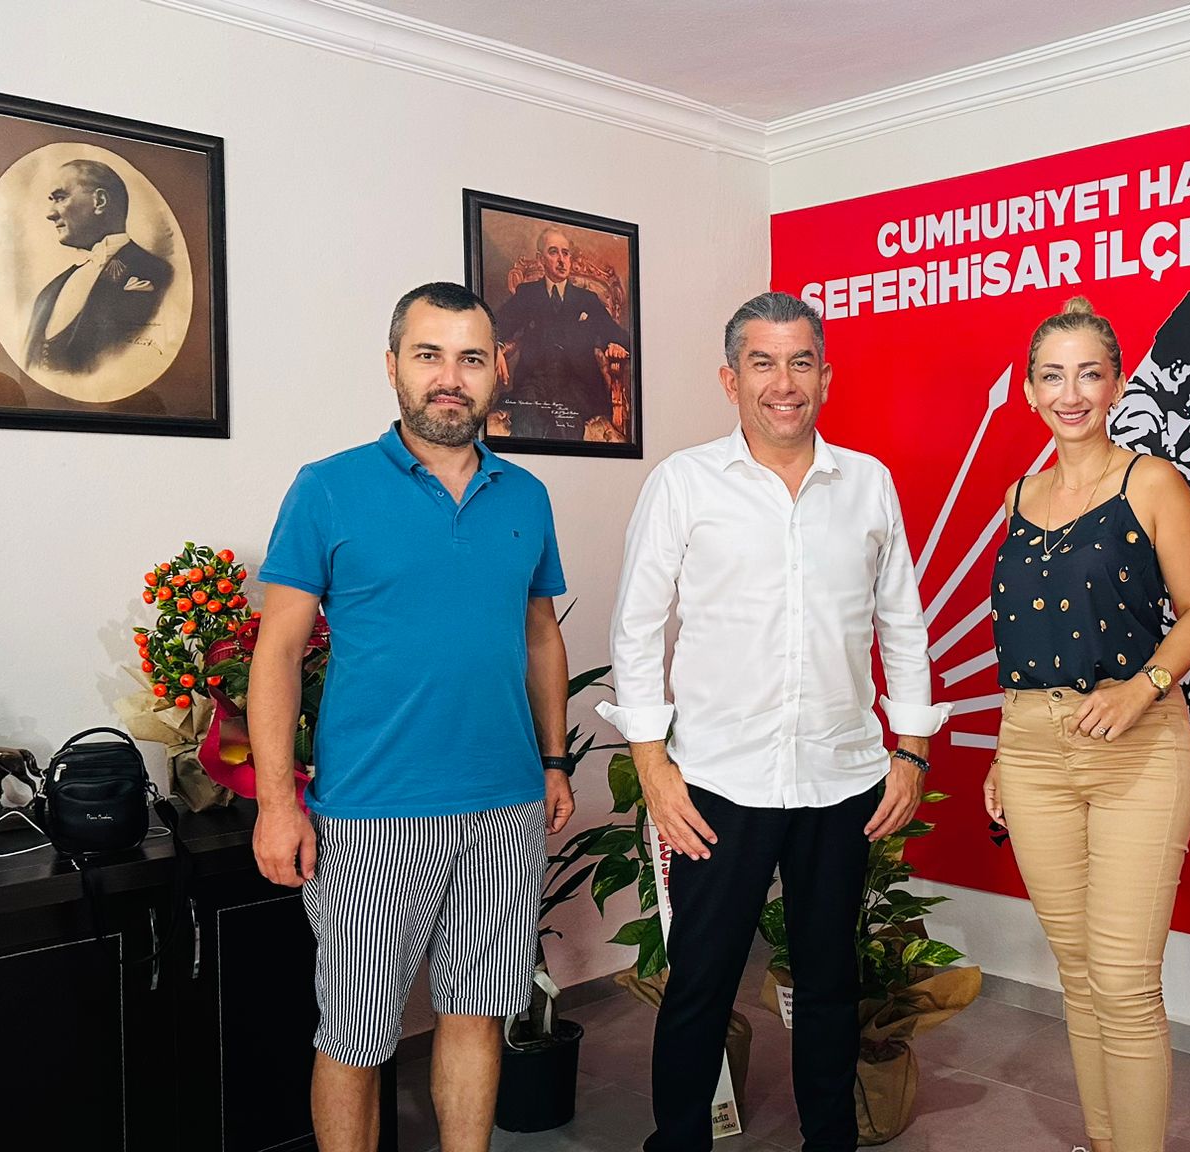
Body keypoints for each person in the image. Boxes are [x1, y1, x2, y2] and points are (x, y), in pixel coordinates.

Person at [597, 291, 948, 1152]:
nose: (783, 383)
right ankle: (679, 1141)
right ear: (731, 379)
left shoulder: (867, 483)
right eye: (763, 363)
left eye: (800, 363)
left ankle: (829, 1140)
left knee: (829, 981)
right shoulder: (683, 482)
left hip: (841, 779)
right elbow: (637, 627)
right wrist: (652, 765)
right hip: (718, 783)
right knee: (701, 984)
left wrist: (910, 751)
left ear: (826, 377)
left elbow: (902, 621)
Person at [248, 281, 577, 1152]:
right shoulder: (328, 488)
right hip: (371, 813)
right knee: (356, 1037)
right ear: (393, 365)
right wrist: (277, 804)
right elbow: (277, 652)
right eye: (429, 355)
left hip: (504, 807)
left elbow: (540, 635)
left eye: (471, 359)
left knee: (477, 1015)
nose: (450, 378)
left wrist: (554, 761)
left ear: (498, 372)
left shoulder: (525, 495)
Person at [982, 297, 1190, 1152]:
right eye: (1053, 376)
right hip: (1032, 753)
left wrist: (1144, 687)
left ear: (1117, 384)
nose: (1071, 393)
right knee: (1079, 977)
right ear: (1029, 391)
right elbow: (1018, 634)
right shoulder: (1017, 495)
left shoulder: (1151, 482)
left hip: (1137, 750)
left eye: (1089, 374)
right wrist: (1004, 750)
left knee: (1124, 985)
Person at [24, 159, 173, 375]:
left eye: (60, 198)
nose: (50, 213)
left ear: (100, 201)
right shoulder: (48, 293)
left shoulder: (157, 273)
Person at [495, 227, 631, 440]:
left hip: (578, 385)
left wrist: (616, 345)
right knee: (526, 422)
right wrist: (496, 347)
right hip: (534, 383)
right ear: (541, 259)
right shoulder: (527, 294)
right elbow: (495, 327)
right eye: (553, 252)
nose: (561, 260)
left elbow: (618, 335)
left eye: (565, 253)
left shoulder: (587, 299)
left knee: (565, 424)